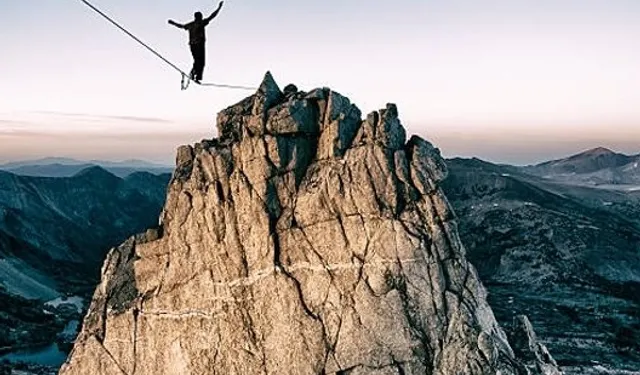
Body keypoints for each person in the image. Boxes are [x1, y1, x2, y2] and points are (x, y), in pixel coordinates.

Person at [168, 2, 224, 83]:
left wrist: (172, 23)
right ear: (199, 17)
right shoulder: (201, 22)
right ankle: (196, 75)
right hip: (199, 44)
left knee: (197, 60)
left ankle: (195, 74)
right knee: (201, 61)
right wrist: (219, 8)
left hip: (192, 45)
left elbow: (181, 26)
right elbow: (212, 16)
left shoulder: (191, 24)